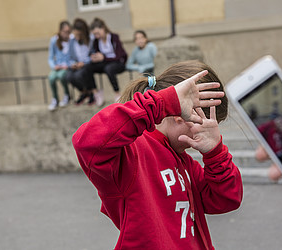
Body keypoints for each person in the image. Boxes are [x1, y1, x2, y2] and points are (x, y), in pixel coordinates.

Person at [72, 61, 243, 249]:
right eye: (207, 125)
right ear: (182, 115)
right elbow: (87, 142)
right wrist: (162, 103)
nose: (208, 134)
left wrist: (215, 153)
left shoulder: (185, 163)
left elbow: (226, 199)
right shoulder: (134, 152)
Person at [83, 17, 128, 105]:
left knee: (109, 69)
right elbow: (97, 54)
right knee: (87, 67)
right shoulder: (96, 41)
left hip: (118, 63)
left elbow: (118, 56)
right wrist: (95, 57)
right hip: (105, 63)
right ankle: (96, 92)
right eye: (94, 34)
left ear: (103, 28)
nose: (96, 36)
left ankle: (117, 93)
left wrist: (103, 58)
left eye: (97, 33)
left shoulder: (114, 37)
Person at [66, 18, 96, 105]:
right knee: (69, 77)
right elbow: (70, 56)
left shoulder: (90, 39)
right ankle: (84, 92)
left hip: (87, 64)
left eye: (79, 35)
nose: (77, 37)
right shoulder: (72, 40)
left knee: (80, 75)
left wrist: (84, 62)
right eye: (75, 34)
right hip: (76, 64)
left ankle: (90, 93)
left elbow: (93, 54)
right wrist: (72, 64)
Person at [47, 20, 72, 111]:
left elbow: (73, 56)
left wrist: (69, 65)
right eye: (65, 32)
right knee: (52, 78)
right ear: (60, 31)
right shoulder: (54, 40)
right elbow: (50, 57)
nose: (66, 34)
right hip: (58, 66)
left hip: (67, 66)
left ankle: (67, 95)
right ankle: (55, 98)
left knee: (62, 76)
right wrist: (54, 66)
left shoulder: (71, 40)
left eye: (68, 32)